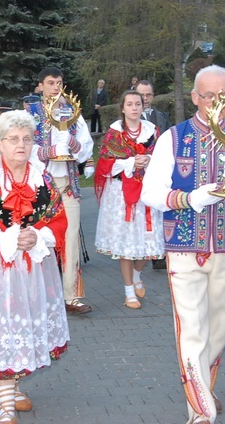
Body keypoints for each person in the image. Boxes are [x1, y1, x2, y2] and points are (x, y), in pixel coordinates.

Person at [140, 65, 225, 424]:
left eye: (224, 95)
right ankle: (201, 412)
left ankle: (202, 389)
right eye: (209, 95)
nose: (217, 102)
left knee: (219, 329)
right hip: (184, 249)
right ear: (196, 97)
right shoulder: (174, 137)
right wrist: (192, 197)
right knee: (192, 330)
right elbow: (149, 193)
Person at [0, 110, 69, 424]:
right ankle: (6, 406)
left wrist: (38, 236)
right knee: (3, 327)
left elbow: (57, 217)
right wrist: (6, 238)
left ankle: (14, 388)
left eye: (27, 139)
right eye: (14, 139)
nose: (21, 145)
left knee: (25, 323)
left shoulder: (42, 177)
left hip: (34, 267)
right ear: (0, 143)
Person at [27, 67, 95, 315]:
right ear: (40, 86)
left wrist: (71, 145)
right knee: (40, 239)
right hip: (40, 187)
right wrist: (49, 151)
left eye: (59, 82)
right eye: (50, 82)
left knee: (70, 238)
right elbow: (24, 148)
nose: (55, 87)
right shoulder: (31, 114)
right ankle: (38, 295)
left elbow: (87, 148)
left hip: (67, 183)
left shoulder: (72, 113)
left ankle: (71, 295)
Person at [94, 90, 163, 308]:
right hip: (121, 194)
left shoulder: (153, 131)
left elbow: (163, 158)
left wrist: (149, 159)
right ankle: (128, 292)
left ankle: (136, 274)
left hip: (147, 192)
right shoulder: (115, 133)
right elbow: (105, 164)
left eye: (138, 104)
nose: (134, 108)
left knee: (149, 243)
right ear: (122, 108)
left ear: (143, 107)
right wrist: (131, 162)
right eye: (130, 104)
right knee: (126, 244)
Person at [136, 79, 173, 272]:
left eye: (148, 94)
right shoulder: (128, 118)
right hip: (136, 175)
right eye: (141, 95)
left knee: (159, 214)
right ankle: (141, 253)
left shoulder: (162, 118)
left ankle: (160, 254)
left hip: (159, 171)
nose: (145, 98)